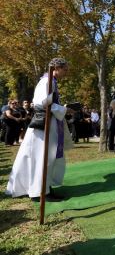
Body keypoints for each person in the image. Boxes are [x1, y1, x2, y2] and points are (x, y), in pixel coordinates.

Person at [6, 58, 73, 201]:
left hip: (48, 125)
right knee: (41, 157)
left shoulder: (51, 81)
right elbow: (41, 104)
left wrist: (62, 108)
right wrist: (64, 109)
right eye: (65, 69)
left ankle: (43, 188)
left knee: (45, 157)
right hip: (43, 127)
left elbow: (48, 103)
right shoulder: (46, 82)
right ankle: (40, 192)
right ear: (56, 67)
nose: (66, 73)